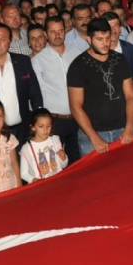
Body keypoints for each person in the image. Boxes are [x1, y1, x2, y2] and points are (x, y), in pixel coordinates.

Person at [67, 18, 133, 156]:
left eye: (107, 38)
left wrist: (129, 127)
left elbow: (131, 96)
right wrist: (94, 138)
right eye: (99, 39)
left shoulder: (120, 60)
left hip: (122, 130)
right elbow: (75, 106)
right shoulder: (78, 66)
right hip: (92, 134)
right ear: (89, 39)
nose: (105, 43)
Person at [31, 16, 83, 163]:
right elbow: (37, 92)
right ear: (46, 34)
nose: (57, 35)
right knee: (55, 162)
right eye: (53, 32)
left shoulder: (76, 53)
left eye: (60, 31)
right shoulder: (38, 60)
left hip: (78, 117)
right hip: (54, 121)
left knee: (77, 160)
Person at [18, 108, 68, 184]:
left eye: (48, 126)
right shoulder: (26, 148)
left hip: (58, 182)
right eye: (41, 126)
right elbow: (23, 173)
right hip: (40, 187)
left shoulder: (55, 140)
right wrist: (34, 180)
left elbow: (63, 165)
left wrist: (64, 158)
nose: (45, 130)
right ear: (33, 127)